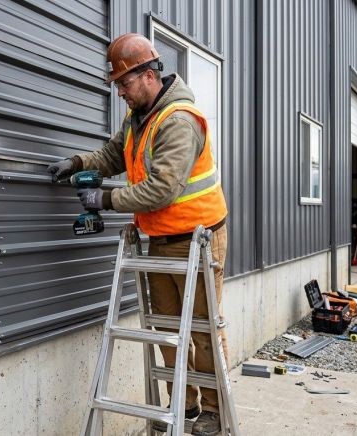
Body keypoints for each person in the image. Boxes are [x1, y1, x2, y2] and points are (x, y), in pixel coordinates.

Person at [47, 33, 228, 436]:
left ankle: (214, 410)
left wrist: (103, 200)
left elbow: (161, 189)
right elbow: (112, 156)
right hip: (160, 238)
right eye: (117, 86)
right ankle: (184, 404)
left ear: (148, 75)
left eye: (124, 84)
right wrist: (76, 162)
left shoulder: (179, 121)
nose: (121, 94)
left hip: (197, 238)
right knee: (166, 327)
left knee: (200, 328)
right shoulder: (138, 118)